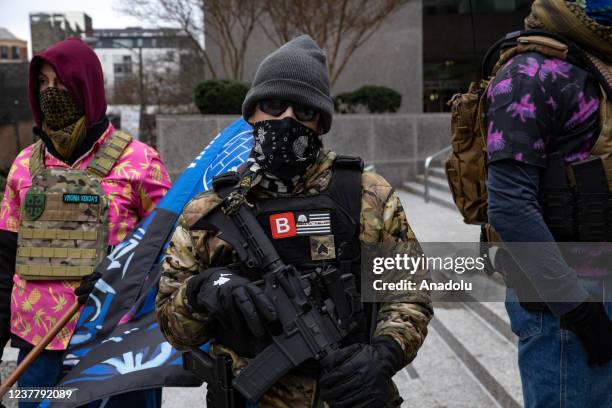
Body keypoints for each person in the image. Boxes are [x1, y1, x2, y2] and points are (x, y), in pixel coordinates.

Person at [155, 35, 432, 407]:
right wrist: (203, 290)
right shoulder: (209, 212)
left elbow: (408, 292)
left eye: (303, 110)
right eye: (273, 105)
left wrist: (385, 353)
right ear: (252, 113)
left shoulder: (366, 194)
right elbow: (174, 330)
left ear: (320, 123)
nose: (286, 119)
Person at [0, 37, 171, 408]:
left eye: (60, 82)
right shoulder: (23, 167)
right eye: (43, 83)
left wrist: (119, 277)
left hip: (117, 343)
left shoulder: (140, 161)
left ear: (86, 85)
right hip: (39, 344)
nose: (51, 92)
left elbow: (171, 250)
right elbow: (5, 257)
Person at [485, 0, 612, 406]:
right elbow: (509, 206)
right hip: (562, 307)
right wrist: (577, 308)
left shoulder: (594, 64)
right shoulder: (529, 73)